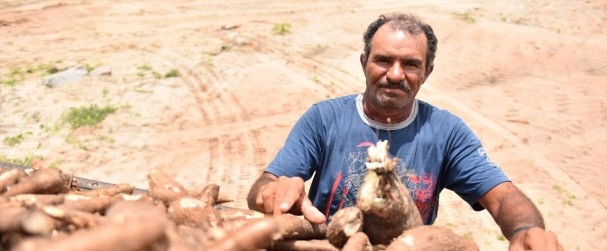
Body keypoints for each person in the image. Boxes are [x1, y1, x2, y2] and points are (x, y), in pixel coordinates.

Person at [247, 12, 562, 251]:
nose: (395, 74)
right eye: (383, 60)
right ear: (363, 63)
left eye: (410, 64)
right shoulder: (325, 118)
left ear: (427, 72)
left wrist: (525, 229)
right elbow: (267, 183)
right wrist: (270, 190)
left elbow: (502, 195)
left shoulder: (446, 132)